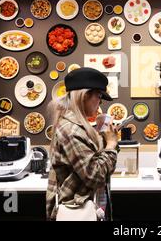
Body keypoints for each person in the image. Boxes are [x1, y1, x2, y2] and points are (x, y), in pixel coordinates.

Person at [46, 67, 118, 221]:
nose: (99, 103)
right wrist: (111, 144)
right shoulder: (72, 130)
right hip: (77, 210)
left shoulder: (75, 124)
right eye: (99, 96)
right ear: (85, 96)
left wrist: (104, 137)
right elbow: (95, 175)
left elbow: (91, 160)